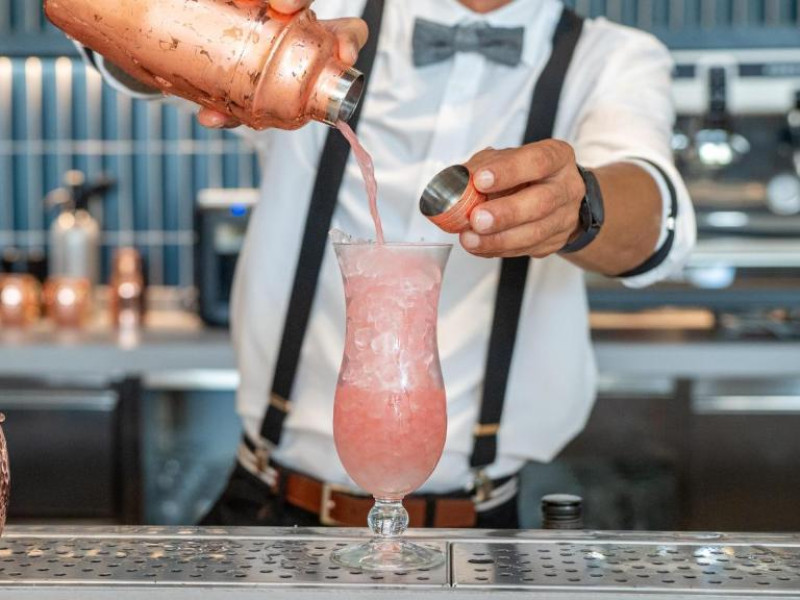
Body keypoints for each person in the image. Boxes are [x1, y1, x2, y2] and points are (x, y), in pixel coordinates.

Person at [80, 0, 695, 529]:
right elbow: (126, 30)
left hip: (478, 525)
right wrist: (212, 19)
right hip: (268, 504)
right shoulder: (322, 23)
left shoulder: (612, 58)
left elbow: (653, 212)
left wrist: (579, 205)